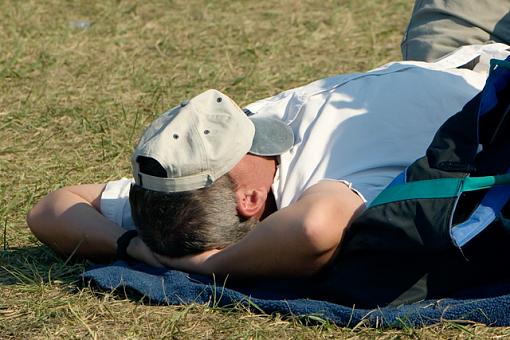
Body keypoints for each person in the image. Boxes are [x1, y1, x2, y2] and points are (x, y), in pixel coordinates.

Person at [27, 1, 510, 278]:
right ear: (251, 198)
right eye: (249, 140)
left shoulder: (176, 196)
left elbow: (49, 209)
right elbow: (312, 231)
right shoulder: (323, 178)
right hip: (493, 76)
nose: (255, 120)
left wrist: (135, 247)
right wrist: (212, 269)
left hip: (441, 53)